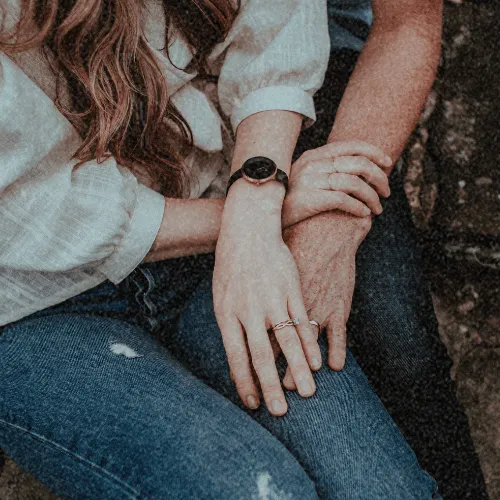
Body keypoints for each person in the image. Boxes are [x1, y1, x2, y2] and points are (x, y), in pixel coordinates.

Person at [0, 2, 468, 500]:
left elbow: (276, 34)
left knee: (380, 490)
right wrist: (259, 213)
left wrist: (256, 202)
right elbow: (23, 208)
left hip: (206, 235)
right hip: (39, 300)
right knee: (263, 491)